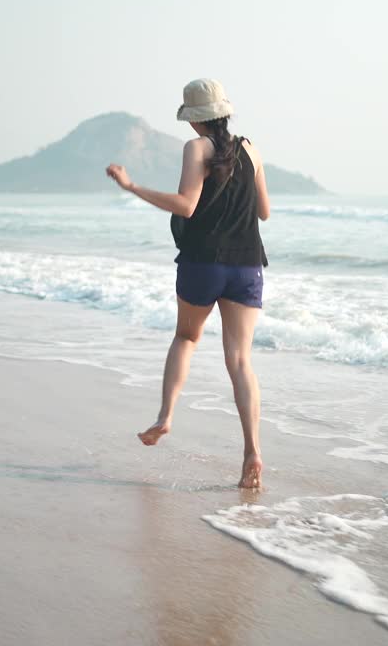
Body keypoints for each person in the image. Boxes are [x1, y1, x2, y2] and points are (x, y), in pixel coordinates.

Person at [106, 78, 271, 489]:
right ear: (225, 112)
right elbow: (264, 212)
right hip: (248, 264)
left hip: (202, 263)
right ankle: (252, 449)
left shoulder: (196, 148)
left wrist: (131, 187)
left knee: (186, 338)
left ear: (194, 119)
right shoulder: (250, 148)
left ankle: (165, 417)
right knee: (240, 361)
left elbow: (186, 205)